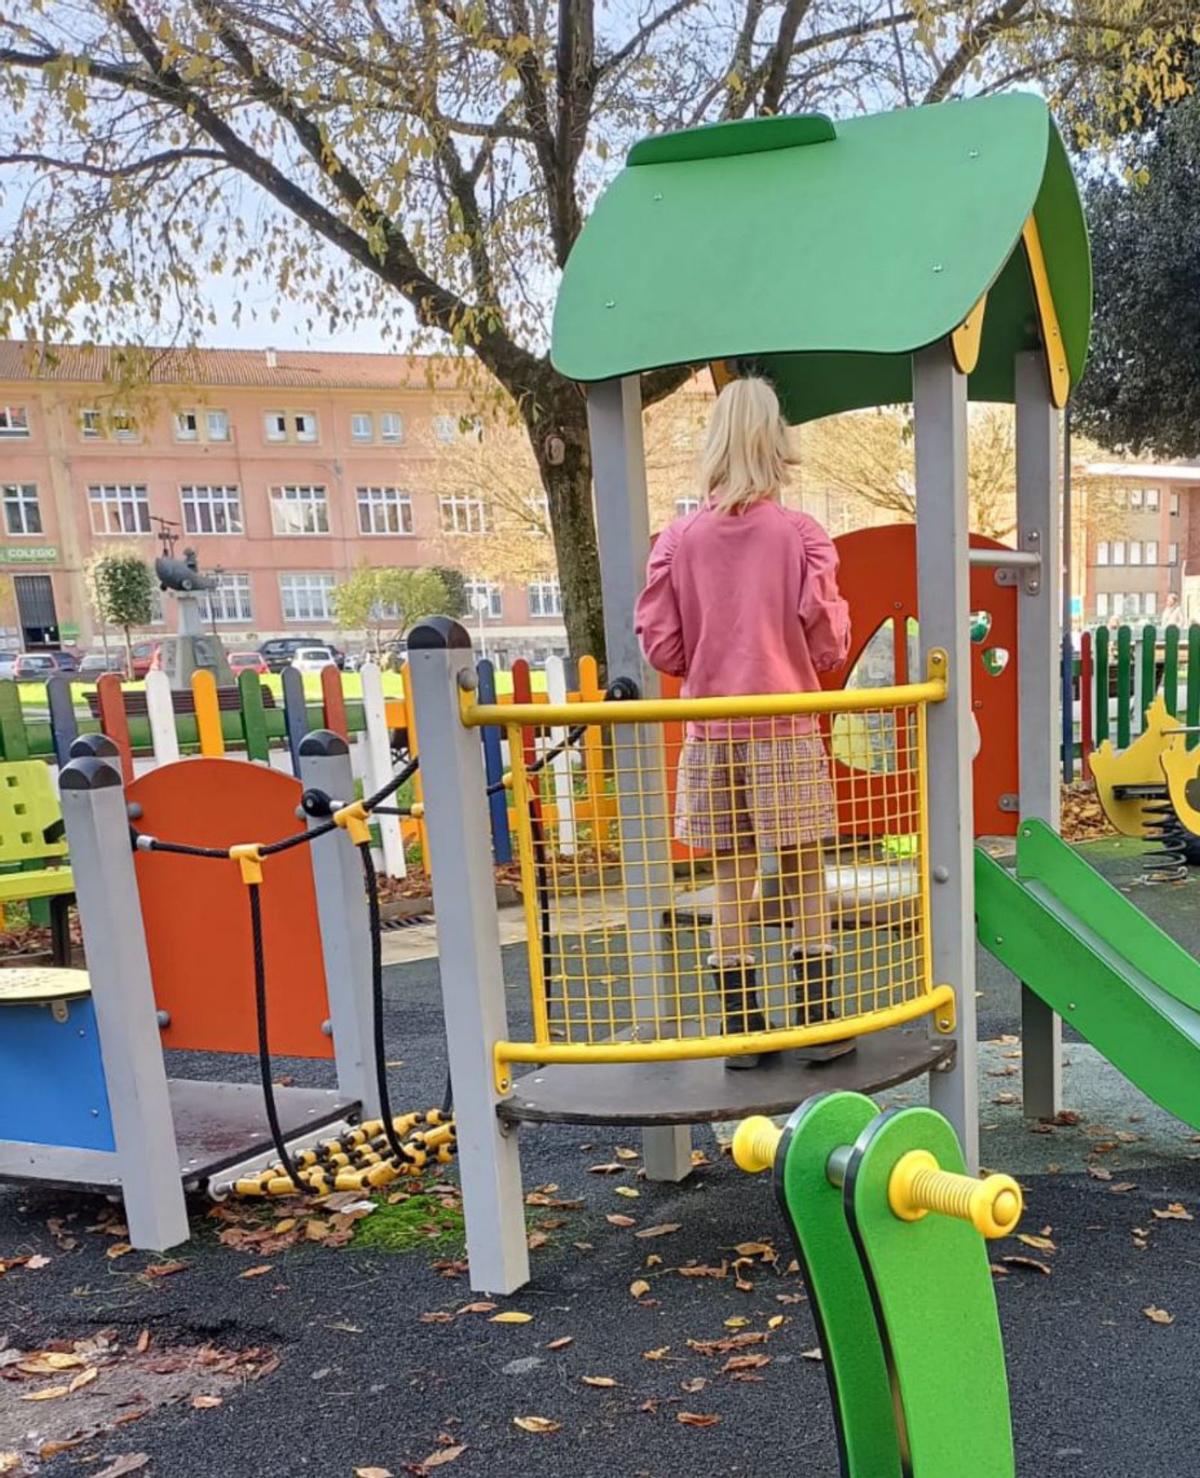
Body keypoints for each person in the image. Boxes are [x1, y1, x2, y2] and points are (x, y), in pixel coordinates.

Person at [634, 377, 852, 1071]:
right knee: (804, 871)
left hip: (713, 729)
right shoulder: (800, 535)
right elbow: (827, 640)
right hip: (785, 724)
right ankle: (817, 1021)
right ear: (774, 440)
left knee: (732, 877)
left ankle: (742, 1026)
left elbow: (662, 646)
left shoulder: (680, 540)